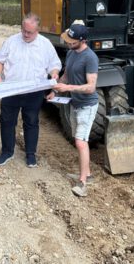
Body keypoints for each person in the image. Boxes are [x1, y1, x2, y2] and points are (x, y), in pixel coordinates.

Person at [0, 13, 61, 168]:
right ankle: (7, 152)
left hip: (34, 91)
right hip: (11, 90)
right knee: (7, 121)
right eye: (24, 30)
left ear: (38, 30)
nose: (25, 34)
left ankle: (30, 155)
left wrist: (54, 73)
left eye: (29, 32)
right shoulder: (11, 41)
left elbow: (54, 64)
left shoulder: (45, 44)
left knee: (31, 122)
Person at [47, 21, 99, 197]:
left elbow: (91, 87)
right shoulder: (70, 53)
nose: (68, 42)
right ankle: (88, 174)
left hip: (87, 105)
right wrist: (54, 91)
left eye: (72, 40)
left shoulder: (90, 58)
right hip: (75, 103)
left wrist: (68, 89)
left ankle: (83, 183)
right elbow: (66, 75)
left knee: (80, 142)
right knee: (78, 139)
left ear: (82, 40)